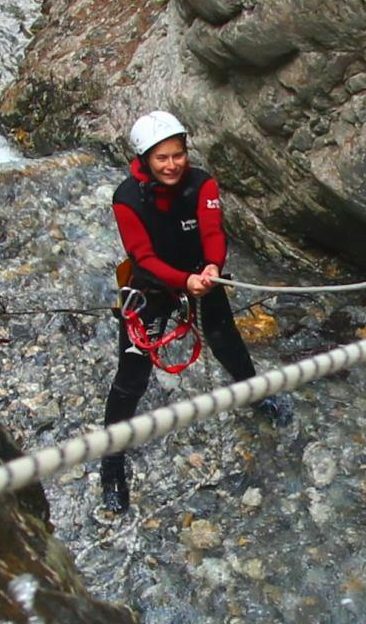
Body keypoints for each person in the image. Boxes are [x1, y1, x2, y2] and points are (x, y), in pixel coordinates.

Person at [99, 110, 271, 513]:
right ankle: (112, 463)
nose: (173, 165)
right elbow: (141, 256)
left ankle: (257, 395)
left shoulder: (202, 184)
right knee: (132, 375)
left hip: (202, 275)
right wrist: (183, 282)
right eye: (162, 158)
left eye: (178, 155)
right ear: (144, 159)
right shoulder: (126, 199)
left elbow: (212, 232)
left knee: (226, 339)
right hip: (154, 285)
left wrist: (211, 268)